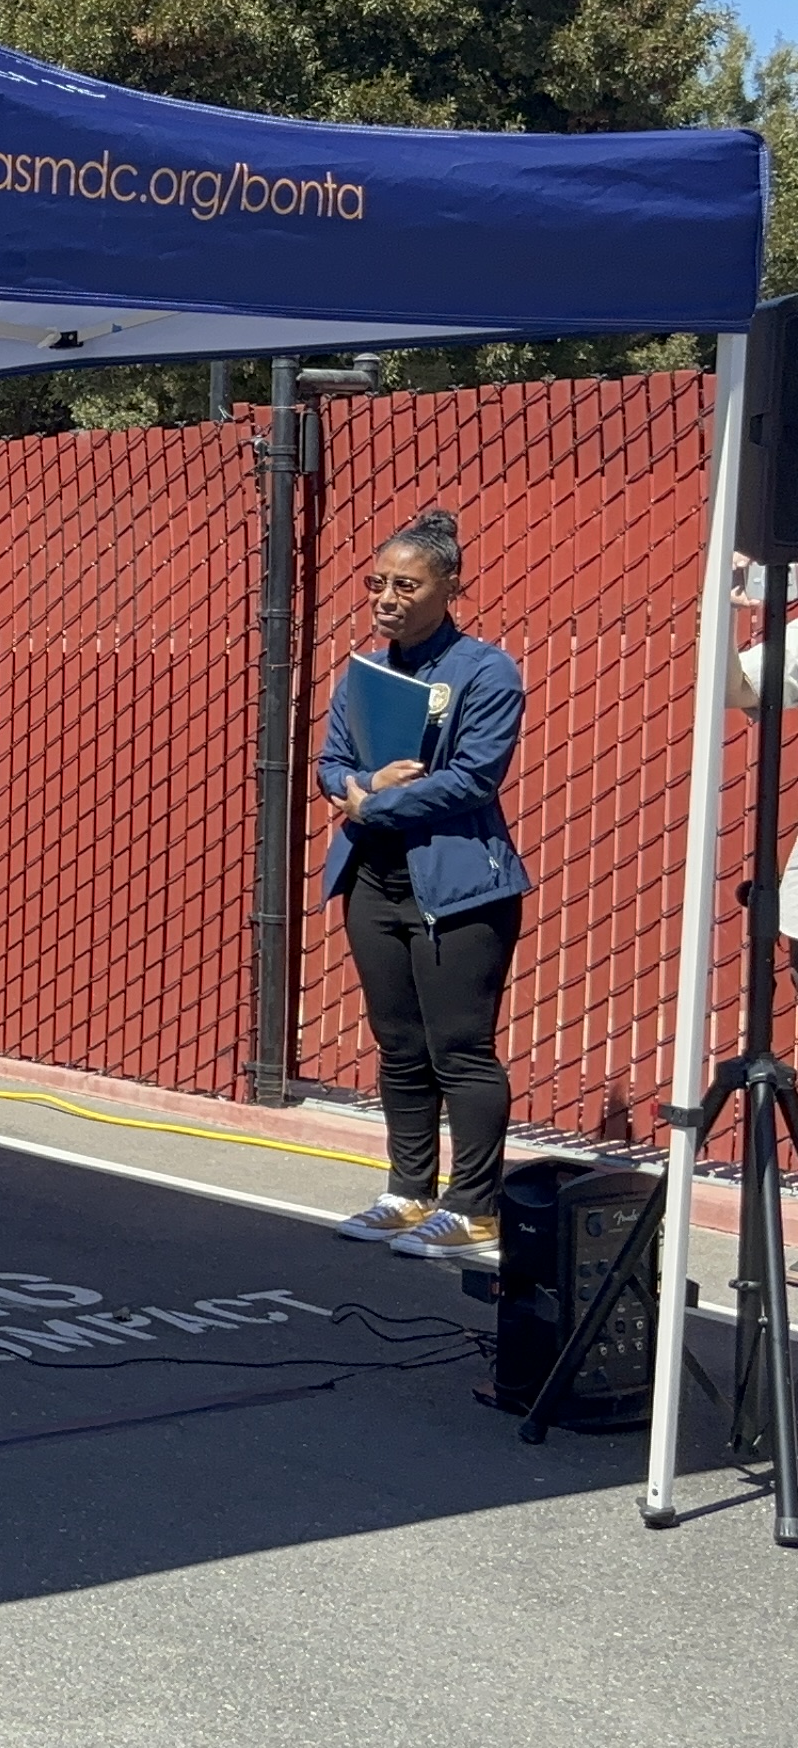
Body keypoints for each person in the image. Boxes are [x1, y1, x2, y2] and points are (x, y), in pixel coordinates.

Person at [317, 509, 532, 1258]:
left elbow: (474, 778)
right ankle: (408, 1192)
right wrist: (360, 785)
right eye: (378, 582)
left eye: (407, 584)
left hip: (459, 887)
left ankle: (475, 1207)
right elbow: (330, 764)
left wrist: (376, 802)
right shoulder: (365, 671)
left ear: (450, 587)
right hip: (375, 879)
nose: (387, 597)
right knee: (398, 1043)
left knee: (459, 1049)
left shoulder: (485, 670)